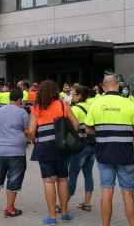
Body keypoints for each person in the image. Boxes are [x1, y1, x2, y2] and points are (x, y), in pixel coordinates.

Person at [84, 74, 134, 226]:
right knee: (128, 193)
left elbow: (88, 128)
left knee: (106, 191)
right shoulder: (129, 103)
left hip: (104, 153)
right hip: (125, 154)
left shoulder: (96, 103)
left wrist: (101, 133)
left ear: (103, 86)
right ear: (118, 85)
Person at [29, 80, 80, 225]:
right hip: (61, 147)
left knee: (48, 181)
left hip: (44, 148)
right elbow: (76, 124)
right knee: (63, 179)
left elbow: (32, 131)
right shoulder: (63, 104)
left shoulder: (36, 108)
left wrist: (33, 139)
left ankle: (52, 217)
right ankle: (65, 213)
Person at [0, 88, 29, 217]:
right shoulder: (22, 113)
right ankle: (9, 208)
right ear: (20, 100)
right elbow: (27, 130)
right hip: (16, 151)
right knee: (14, 180)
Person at [67, 85, 96, 212]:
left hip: (79, 147)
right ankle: (87, 202)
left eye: (73, 94)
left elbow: (71, 129)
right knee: (88, 174)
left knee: (72, 174)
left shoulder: (75, 109)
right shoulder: (92, 107)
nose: (71, 96)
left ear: (79, 96)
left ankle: (64, 202)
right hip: (92, 145)